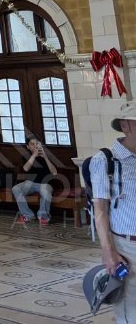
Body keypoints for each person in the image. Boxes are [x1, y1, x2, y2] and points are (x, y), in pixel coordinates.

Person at [91, 102, 136, 323]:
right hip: (128, 247)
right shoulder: (105, 161)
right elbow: (100, 209)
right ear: (126, 125)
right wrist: (108, 251)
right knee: (131, 312)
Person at [12, 136, 57, 225]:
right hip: (30, 183)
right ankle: (27, 215)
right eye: (32, 144)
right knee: (16, 188)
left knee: (46, 192)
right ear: (28, 147)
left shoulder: (47, 155)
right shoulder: (27, 156)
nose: (35, 146)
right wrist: (34, 156)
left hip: (45, 183)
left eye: (37, 143)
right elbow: (25, 168)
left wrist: (45, 157)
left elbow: (54, 172)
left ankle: (43, 217)